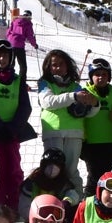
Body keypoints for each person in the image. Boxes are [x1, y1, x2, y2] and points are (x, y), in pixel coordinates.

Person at [0, 39, 36, 209]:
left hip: (11, 134)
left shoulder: (18, 81)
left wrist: (12, 127)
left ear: (11, 58)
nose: (1, 59)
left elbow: (25, 107)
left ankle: (14, 205)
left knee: (14, 169)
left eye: (5, 56)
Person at [36, 49, 96, 192]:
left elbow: (89, 112)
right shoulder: (45, 83)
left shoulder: (75, 86)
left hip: (74, 133)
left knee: (71, 170)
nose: (57, 68)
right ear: (48, 68)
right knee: (52, 170)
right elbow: (48, 102)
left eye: (61, 64)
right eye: (54, 65)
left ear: (68, 66)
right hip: (53, 132)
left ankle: (74, 203)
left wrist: (95, 104)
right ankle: (53, 202)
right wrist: (73, 97)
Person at [80, 58, 112, 196]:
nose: (101, 77)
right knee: (94, 178)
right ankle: (89, 204)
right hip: (92, 144)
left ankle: (110, 203)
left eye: (104, 74)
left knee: (111, 176)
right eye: (97, 74)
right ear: (91, 76)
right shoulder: (85, 93)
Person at [18, 147, 81, 223]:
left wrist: (67, 201)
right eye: (49, 165)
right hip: (36, 221)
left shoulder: (63, 182)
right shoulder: (32, 182)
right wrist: (40, 217)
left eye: (57, 165)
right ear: (43, 165)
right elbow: (23, 207)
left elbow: (73, 195)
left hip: (56, 221)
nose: (52, 169)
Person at [5, 10, 38, 85]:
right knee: (23, 66)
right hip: (19, 46)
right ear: (29, 16)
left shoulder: (15, 20)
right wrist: (34, 44)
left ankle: (8, 79)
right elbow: (30, 36)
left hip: (10, 44)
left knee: (10, 63)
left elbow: (8, 31)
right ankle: (22, 83)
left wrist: (9, 39)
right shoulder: (28, 24)